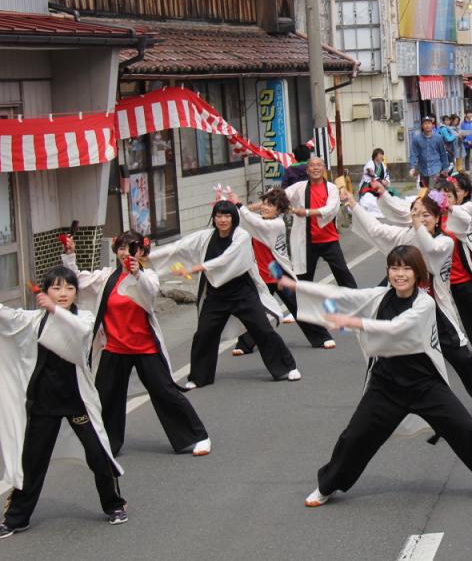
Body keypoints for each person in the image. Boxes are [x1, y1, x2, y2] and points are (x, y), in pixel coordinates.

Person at [287, 246, 472, 506]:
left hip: (425, 384)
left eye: (406, 268)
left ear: (417, 272)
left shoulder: (425, 303)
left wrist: (355, 323)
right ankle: (327, 485)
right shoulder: (379, 297)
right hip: (385, 385)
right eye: (394, 267)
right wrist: (301, 288)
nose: (400, 274)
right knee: (354, 437)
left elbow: (398, 329)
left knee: (464, 427)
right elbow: (343, 296)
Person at [344, 191, 472, 419]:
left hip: (436, 313)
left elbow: (431, 250)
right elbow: (375, 229)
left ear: (437, 218)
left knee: (463, 359)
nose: (420, 218)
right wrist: (353, 203)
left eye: (426, 214)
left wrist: (417, 225)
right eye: (415, 213)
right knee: (386, 360)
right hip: (403, 311)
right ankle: (377, 410)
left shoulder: (445, 242)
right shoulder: (404, 236)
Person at [0, 266, 128, 538]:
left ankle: (114, 505)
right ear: (46, 291)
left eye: (69, 288)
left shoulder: (84, 317)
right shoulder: (35, 320)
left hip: (76, 402)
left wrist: (56, 310)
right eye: (56, 288)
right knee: (32, 462)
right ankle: (16, 518)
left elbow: (79, 333)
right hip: (44, 403)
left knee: (97, 454)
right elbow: (7, 317)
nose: (63, 294)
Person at [61, 232, 210, 457]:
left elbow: (149, 292)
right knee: (104, 396)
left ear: (141, 252)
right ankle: (106, 443)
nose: (125, 253)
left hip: (145, 348)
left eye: (132, 249)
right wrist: (70, 255)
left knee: (165, 393)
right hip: (114, 348)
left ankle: (197, 436)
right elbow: (77, 282)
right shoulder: (107, 277)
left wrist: (136, 272)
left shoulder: (148, 276)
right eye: (121, 248)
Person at [148, 201, 300, 388]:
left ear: (234, 218)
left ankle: (286, 368)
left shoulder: (242, 236)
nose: (222, 220)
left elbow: (229, 258)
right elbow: (179, 247)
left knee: (262, 329)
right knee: (204, 334)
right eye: (219, 216)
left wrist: (201, 266)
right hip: (216, 295)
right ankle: (198, 377)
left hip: (242, 293)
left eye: (227, 216)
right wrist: (148, 257)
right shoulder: (206, 236)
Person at [231, 188, 335, 354]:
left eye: (270, 205)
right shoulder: (259, 219)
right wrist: (228, 204)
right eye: (264, 204)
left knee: (298, 307)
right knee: (255, 311)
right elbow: (243, 220)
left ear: (279, 210)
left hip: (280, 275)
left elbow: (255, 223)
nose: (265, 207)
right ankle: (245, 344)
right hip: (260, 276)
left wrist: (239, 204)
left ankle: (322, 337)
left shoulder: (276, 224)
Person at [285, 156, 358, 290]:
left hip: (329, 240)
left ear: (324, 169)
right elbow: (280, 197)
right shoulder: (299, 187)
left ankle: (356, 302)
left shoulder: (331, 188)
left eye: (319, 165)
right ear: (307, 170)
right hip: (307, 242)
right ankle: (304, 309)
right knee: (304, 281)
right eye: (312, 165)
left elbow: (330, 209)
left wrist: (306, 212)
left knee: (344, 276)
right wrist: (251, 207)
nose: (315, 168)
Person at [409, 116, 451, 190]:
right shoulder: (417, 139)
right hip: (422, 169)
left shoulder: (438, 138)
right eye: (425, 123)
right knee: (424, 191)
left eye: (429, 123)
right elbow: (414, 154)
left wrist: (445, 168)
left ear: (433, 125)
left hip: (435, 168)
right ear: (422, 126)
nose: (427, 125)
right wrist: (413, 167)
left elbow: (443, 153)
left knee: (433, 191)